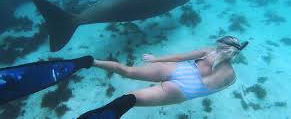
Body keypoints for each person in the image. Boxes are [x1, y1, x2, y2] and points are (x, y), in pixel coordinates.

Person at [78, 36, 249, 119]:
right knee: (129, 99)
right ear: (236, 55)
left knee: (127, 71)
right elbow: (208, 90)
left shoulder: (208, 51)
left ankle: (91, 62)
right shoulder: (230, 76)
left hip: (180, 69)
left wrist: (156, 59)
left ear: (221, 45)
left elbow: (180, 57)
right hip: (186, 90)